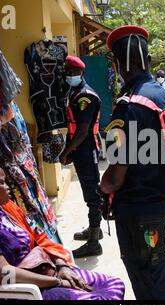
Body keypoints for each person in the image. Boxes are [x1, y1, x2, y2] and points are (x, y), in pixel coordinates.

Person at [0, 161, 125, 300]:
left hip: (46, 272)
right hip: (25, 289)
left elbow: (39, 240)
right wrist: (55, 281)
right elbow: (3, 273)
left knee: (114, 284)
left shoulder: (4, 210)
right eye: (1, 182)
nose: (8, 187)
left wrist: (62, 265)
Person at [99, 25, 165, 300]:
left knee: (148, 282)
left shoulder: (129, 106)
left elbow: (114, 177)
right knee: (158, 272)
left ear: (120, 63)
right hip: (160, 204)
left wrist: (103, 187)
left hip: (138, 212)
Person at [59, 56, 103, 258]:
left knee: (93, 194)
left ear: (82, 74)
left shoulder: (86, 96)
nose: (70, 76)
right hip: (81, 150)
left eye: (73, 73)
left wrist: (67, 151)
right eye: (67, 73)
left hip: (86, 149)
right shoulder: (75, 92)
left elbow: (83, 130)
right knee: (88, 192)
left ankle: (94, 243)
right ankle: (95, 229)